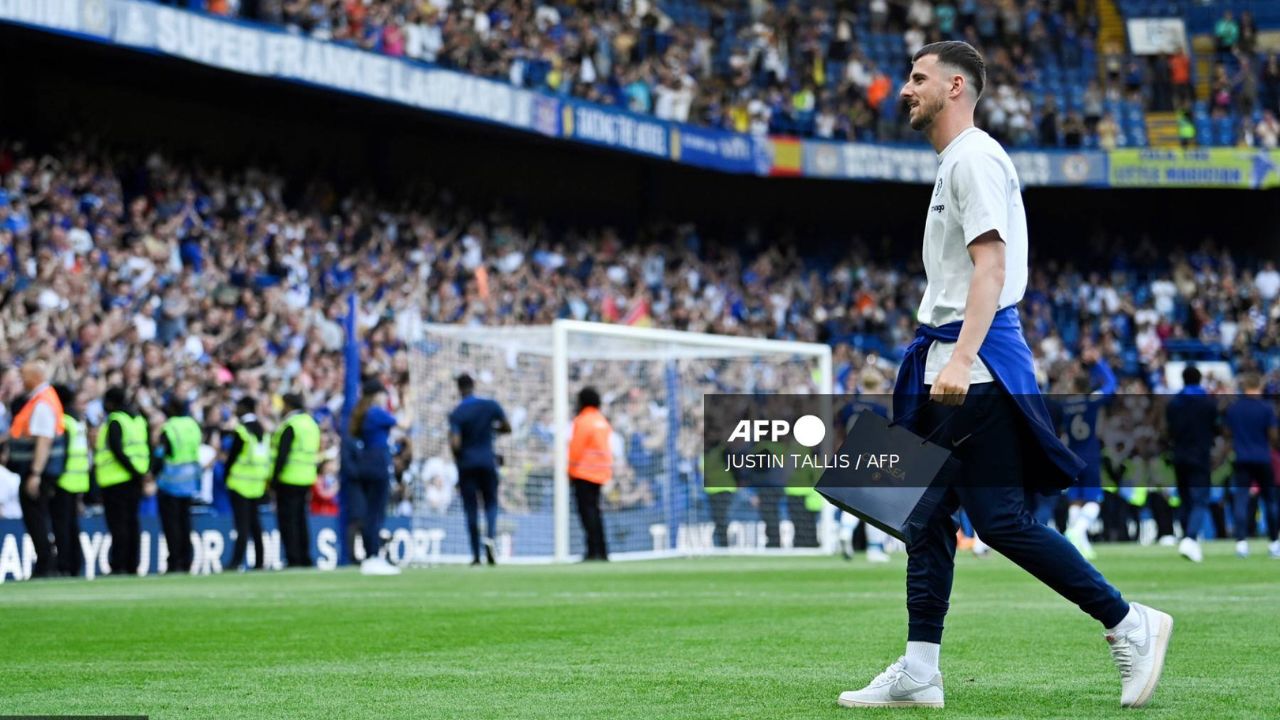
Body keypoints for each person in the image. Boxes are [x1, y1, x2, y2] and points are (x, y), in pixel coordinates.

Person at [839, 42, 1171, 711]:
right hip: (947, 362)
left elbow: (990, 270)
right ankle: (920, 670)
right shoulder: (955, 162)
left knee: (998, 520)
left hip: (976, 369)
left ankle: (1128, 621)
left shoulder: (975, 158)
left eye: (918, 78)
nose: (905, 89)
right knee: (917, 511)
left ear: (956, 86)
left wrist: (961, 359)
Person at [5, 361, 66, 578]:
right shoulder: (43, 399)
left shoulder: (42, 403)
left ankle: (46, 564)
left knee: (36, 518)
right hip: (41, 470)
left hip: (38, 471)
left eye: (23, 375)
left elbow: (44, 441)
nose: (22, 380)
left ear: (35, 377)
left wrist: (35, 474)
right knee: (39, 517)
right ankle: (47, 562)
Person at [1055, 350, 1117, 560]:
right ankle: (1078, 531)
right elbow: (1110, 384)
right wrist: (1099, 363)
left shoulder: (1064, 405)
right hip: (1089, 456)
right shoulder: (1091, 401)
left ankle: (1079, 547)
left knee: (1075, 500)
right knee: (1093, 501)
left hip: (1070, 456)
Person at [347, 378, 410, 575]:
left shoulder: (364, 413)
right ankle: (373, 556)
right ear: (377, 395)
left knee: (370, 513)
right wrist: (407, 402)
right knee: (376, 513)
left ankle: (370, 555)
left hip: (365, 463)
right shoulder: (376, 412)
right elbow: (405, 423)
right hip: (377, 464)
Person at [448, 373, 510, 566]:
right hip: (487, 461)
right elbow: (507, 427)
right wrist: (490, 431)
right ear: (473, 386)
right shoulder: (490, 405)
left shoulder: (457, 412)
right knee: (491, 503)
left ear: (459, 389)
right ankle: (490, 538)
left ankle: (476, 555)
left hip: (467, 464)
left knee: (471, 509)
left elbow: (455, 443)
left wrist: (457, 454)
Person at [1165, 365, 1218, 563]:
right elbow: (1215, 429)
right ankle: (1190, 538)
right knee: (1200, 499)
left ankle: (1188, 539)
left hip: (1179, 455)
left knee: (1185, 498)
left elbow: (1168, 430)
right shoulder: (1208, 403)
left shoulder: (1174, 403)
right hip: (1200, 455)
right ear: (1199, 379)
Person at [96, 387, 151, 577]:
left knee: (118, 525)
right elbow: (147, 447)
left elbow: (116, 450)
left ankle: (118, 565)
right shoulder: (138, 420)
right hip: (135, 479)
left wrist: (133, 471)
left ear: (110, 403)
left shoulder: (115, 420)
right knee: (132, 523)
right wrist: (141, 473)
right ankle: (132, 564)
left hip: (116, 480)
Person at [1224, 373, 1279, 559]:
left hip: (1241, 458)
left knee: (1241, 501)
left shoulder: (1234, 409)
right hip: (1263, 458)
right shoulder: (1266, 408)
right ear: (1259, 386)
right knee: (1270, 501)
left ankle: (1241, 543)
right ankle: (1274, 543)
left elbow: (1227, 433)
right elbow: (1273, 436)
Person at [154, 395, 202, 574]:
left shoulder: (169, 428)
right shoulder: (193, 426)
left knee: (171, 525)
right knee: (186, 523)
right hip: (190, 482)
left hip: (170, 482)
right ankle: (187, 560)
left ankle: (174, 561)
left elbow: (162, 453)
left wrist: (152, 473)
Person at [271, 393, 319, 568]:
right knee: (301, 519)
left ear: (288, 405)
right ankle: (305, 556)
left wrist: (274, 480)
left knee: (288, 521)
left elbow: (282, 455)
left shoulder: (291, 425)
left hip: (289, 478)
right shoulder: (311, 424)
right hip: (306, 477)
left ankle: (293, 558)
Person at [568, 387, 612, 561]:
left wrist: (570, 472)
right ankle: (601, 550)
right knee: (596, 512)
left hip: (584, 473)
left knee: (587, 514)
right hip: (600, 474)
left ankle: (593, 551)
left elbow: (576, 449)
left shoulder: (583, 420)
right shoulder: (602, 421)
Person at [226, 397, 269, 571]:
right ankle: (260, 561)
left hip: (240, 483)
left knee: (242, 526)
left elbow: (232, 458)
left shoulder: (242, 430)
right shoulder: (262, 430)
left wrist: (227, 475)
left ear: (244, 407)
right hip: (257, 484)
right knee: (255, 525)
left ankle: (236, 561)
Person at [52, 384, 88, 577]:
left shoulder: (63, 421)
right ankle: (75, 564)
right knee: (72, 525)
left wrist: (53, 478)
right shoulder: (77, 421)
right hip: (79, 480)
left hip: (64, 480)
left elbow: (61, 454)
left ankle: (64, 564)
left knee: (62, 526)